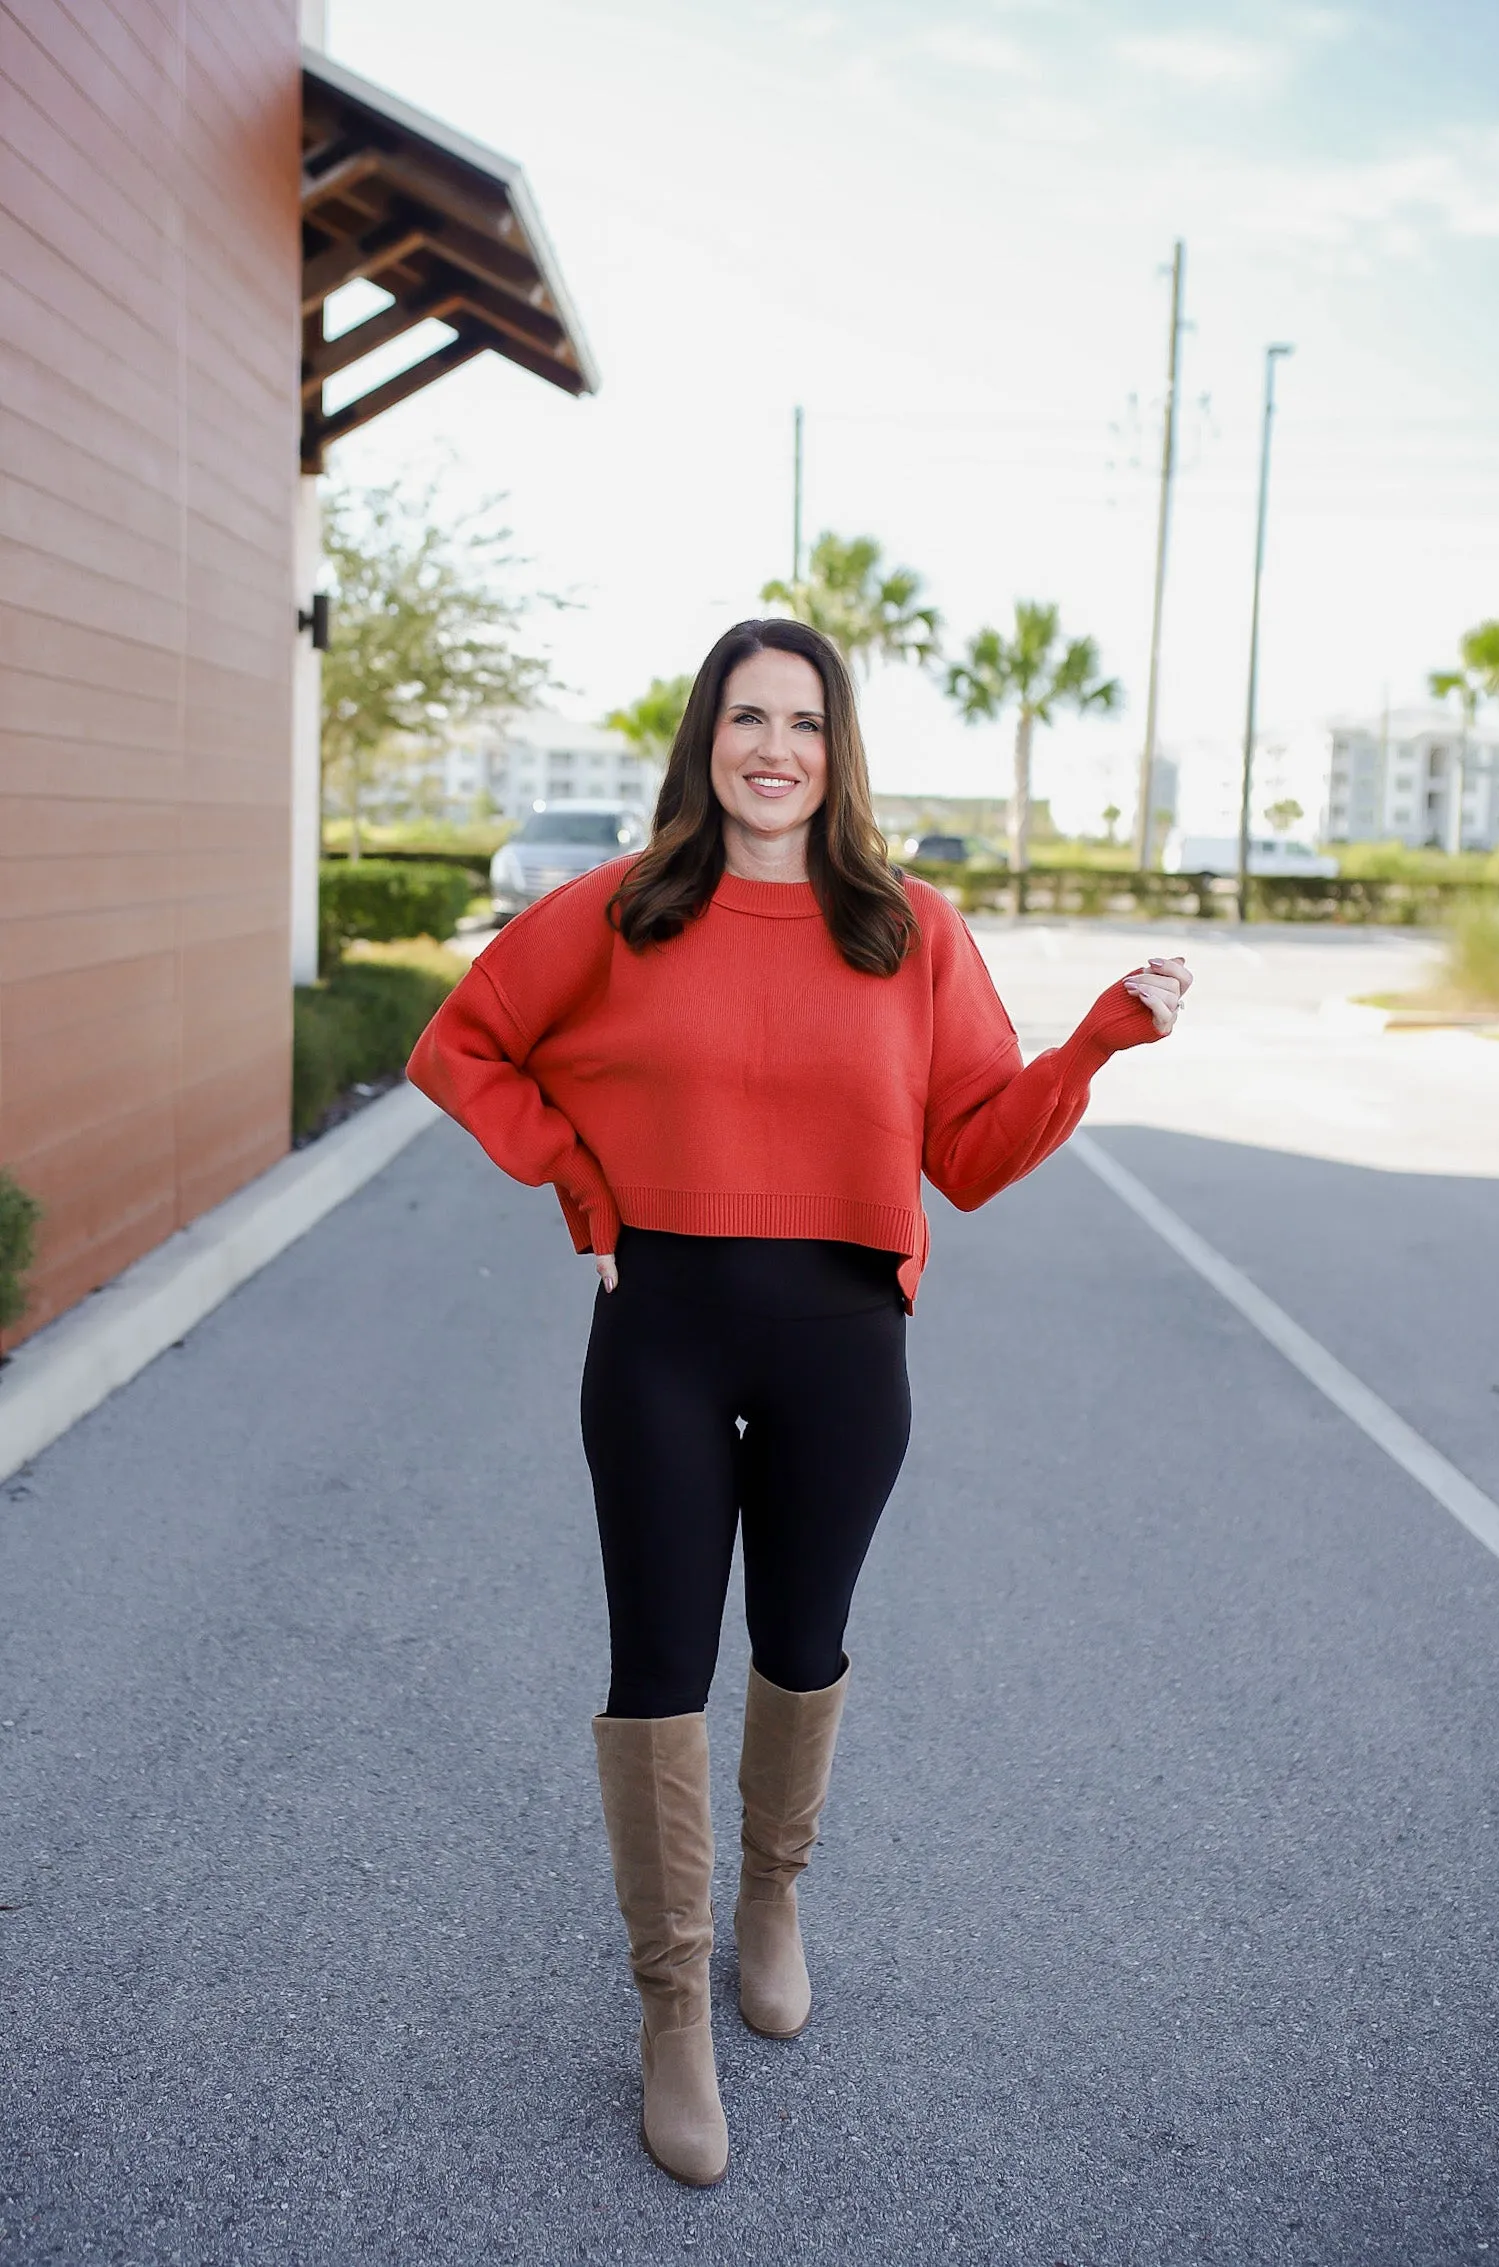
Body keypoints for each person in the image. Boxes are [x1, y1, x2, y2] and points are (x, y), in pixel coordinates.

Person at [407, 618, 1191, 2188]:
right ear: (706, 739)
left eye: (806, 721)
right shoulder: (615, 913)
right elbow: (461, 1045)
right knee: (656, 1665)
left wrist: (1097, 1037)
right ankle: (668, 2009)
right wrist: (579, 1186)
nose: (775, 746)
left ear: (838, 753)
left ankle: (770, 1891)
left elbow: (966, 1150)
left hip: (842, 1338)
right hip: (665, 1339)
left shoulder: (911, 930)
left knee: (801, 1642)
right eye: (747, 716)